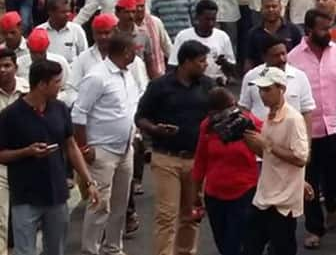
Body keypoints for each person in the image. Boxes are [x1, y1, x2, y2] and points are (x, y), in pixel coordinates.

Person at [0, 59, 99, 255]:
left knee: (56, 249)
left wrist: (89, 181)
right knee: (24, 250)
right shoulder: (10, 116)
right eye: (56, 82)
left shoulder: (60, 109)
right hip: (25, 196)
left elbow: (71, 147)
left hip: (56, 194)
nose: (60, 86)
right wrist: (27, 152)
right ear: (41, 84)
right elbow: (1, 155)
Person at [135, 40, 214, 255]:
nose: (205, 65)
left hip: (196, 161)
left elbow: (217, 116)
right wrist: (155, 129)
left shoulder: (208, 86)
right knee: (167, 216)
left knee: (191, 215)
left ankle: (186, 251)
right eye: (201, 61)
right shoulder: (160, 86)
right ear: (186, 62)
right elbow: (140, 117)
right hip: (166, 159)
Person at [73, 33, 141, 255]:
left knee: (120, 205)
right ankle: (90, 250)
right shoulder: (97, 77)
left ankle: (113, 248)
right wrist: (84, 148)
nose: (136, 54)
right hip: (101, 150)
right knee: (100, 205)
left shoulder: (127, 74)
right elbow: (79, 114)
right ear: (125, 52)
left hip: (125, 148)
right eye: (134, 50)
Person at [286, 9, 336, 248]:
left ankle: (332, 205)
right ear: (309, 31)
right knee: (309, 180)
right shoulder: (293, 59)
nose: (328, 33)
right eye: (323, 29)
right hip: (306, 131)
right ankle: (314, 229)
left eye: (329, 28)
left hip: (334, 128)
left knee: (334, 178)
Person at [241, 67, 312, 255]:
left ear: (282, 89)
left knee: (281, 248)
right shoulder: (269, 117)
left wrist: (267, 144)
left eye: (267, 90)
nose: (262, 95)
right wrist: (250, 141)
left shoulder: (293, 119)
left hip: (283, 200)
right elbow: (268, 154)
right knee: (250, 246)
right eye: (260, 90)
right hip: (266, 194)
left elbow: (300, 157)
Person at [190, 87, 262, 255]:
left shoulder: (245, 121)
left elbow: (267, 141)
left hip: (244, 192)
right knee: (223, 243)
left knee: (236, 244)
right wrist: (195, 196)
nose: (233, 110)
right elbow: (200, 161)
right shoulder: (207, 126)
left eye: (234, 105)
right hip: (215, 195)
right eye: (229, 106)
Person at [0, 47, 28, 254]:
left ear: (16, 67)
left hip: (28, 161)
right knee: (1, 219)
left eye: (7, 65)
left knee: (27, 221)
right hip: (1, 164)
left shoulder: (29, 91)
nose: (2, 70)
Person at [169, 0, 236, 84]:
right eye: (207, 19)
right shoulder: (183, 36)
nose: (211, 23)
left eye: (213, 19)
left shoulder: (223, 36)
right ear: (197, 17)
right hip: (191, 84)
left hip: (217, 84)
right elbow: (173, 65)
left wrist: (224, 63)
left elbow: (232, 71)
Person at [243, 0, 303, 73]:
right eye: (267, 7)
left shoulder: (293, 30)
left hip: (288, 76)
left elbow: (300, 57)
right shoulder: (253, 33)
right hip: (262, 77)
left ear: (281, 8)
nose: (271, 10)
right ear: (261, 9)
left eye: (274, 6)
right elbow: (249, 60)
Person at [37, 0, 88, 64]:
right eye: (63, 12)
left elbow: (84, 56)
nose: (68, 15)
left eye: (68, 11)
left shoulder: (77, 30)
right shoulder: (39, 31)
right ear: (51, 13)